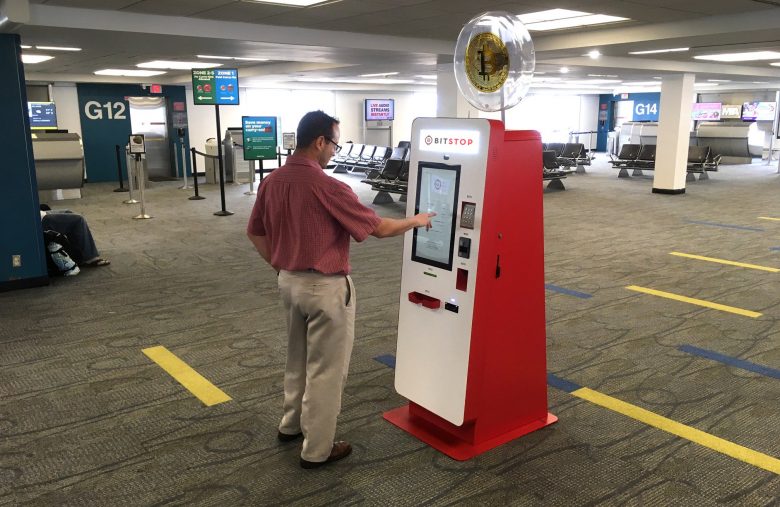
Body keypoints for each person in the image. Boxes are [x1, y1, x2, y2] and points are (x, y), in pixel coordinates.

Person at [246, 110, 434, 469]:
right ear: (319, 142)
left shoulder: (272, 181)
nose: (335, 150)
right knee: (327, 370)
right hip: (325, 289)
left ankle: (290, 425)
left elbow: (255, 232)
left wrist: (280, 264)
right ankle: (317, 449)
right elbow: (378, 228)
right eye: (334, 143)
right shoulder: (328, 187)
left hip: (288, 283)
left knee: (297, 358)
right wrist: (416, 220)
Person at [40, 206, 110, 267]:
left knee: (68, 212)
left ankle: (78, 256)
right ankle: (89, 258)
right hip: (39, 220)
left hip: (40, 214)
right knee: (78, 220)